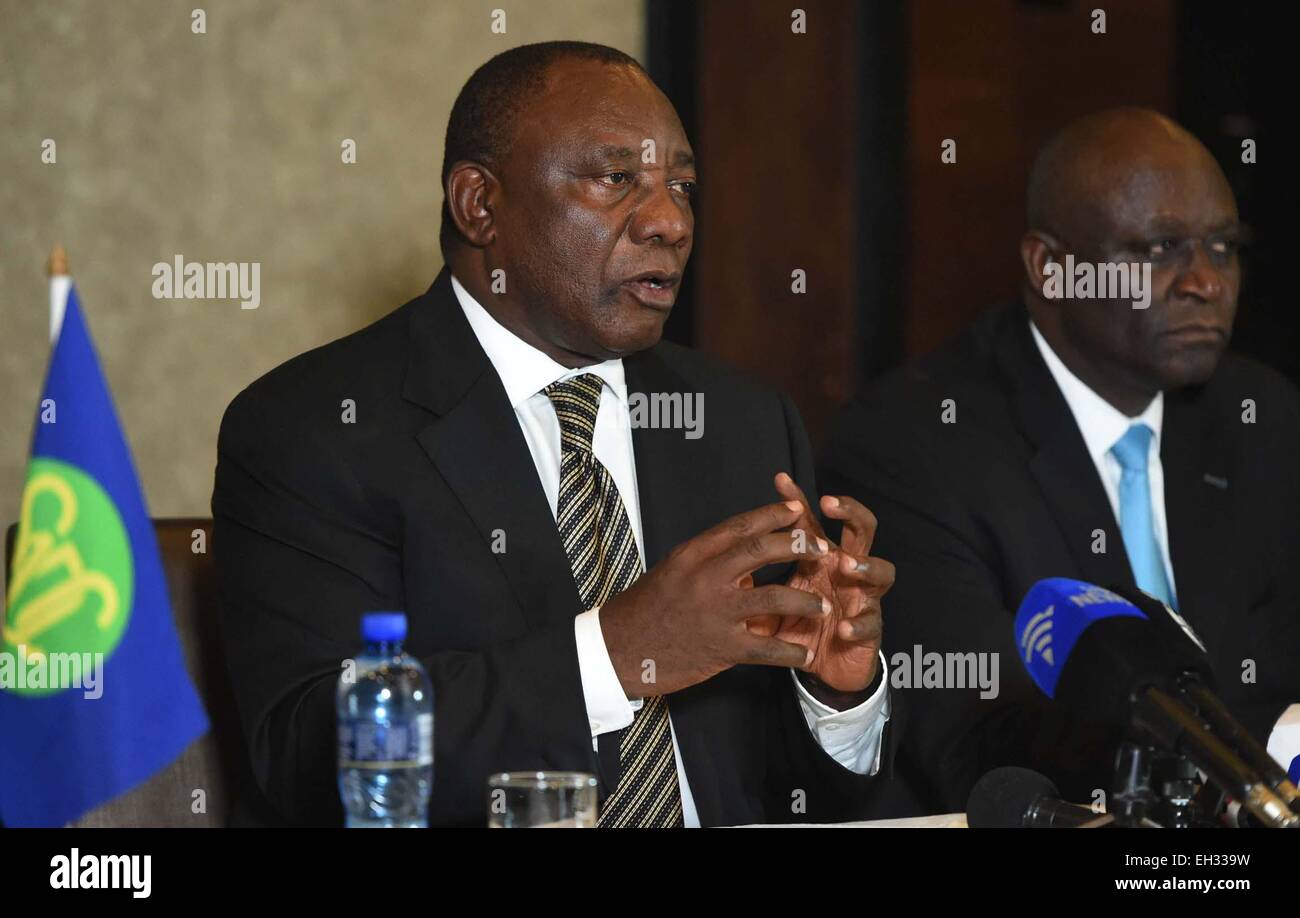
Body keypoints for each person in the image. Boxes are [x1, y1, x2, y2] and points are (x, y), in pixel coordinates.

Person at [213, 41, 901, 827]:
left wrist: (833, 690)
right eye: (616, 180)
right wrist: (615, 654)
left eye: (681, 185)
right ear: (480, 204)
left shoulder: (742, 419)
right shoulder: (318, 428)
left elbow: (793, 791)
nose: (671, 221)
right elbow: (311, 755)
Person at [820, 108, 1300, 812]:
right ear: (1051, 267)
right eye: (1161, 249)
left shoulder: (1265, 418)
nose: (1205, 281)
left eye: (1223, 248)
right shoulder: (913, 444)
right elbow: (979, 739)